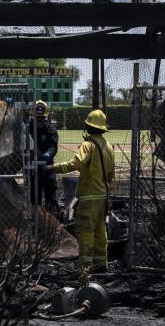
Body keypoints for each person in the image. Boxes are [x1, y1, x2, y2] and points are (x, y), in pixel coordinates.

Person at [46, 109, 114, 274]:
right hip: (103, 196)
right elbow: (110, 174)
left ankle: (85, 267)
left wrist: (51, 168)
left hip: (89, 197)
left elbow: (76, 163)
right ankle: (101, 262)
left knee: (85, 231)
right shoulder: (109, 146)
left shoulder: (88, 145)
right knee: (100, 230)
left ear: (88, 127)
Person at [30, 100, 59, 212]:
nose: (40, 120)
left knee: (51, 197)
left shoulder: (51, 131)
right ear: (33, 117)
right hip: (32, 168)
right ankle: (35, 222)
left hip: (47, 168)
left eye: (43, 118)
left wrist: (48, 154)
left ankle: (52, 220)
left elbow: (53, 147)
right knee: (33, 199)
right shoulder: (28, 129)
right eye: (37, 118)